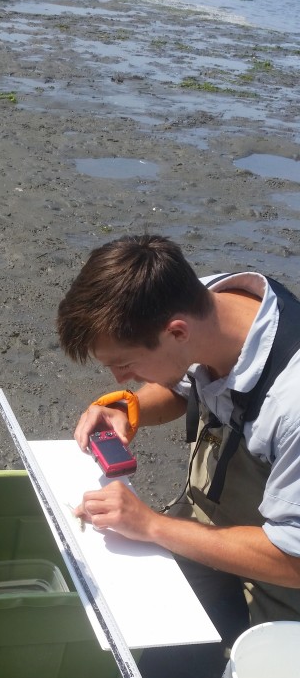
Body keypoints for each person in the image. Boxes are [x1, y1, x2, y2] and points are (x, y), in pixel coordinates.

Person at [57, 234, 300, 644]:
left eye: (125, 364)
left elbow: (292, 559)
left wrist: (151, 525)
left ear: (177, 332)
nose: (119, 380)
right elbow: (183, 384)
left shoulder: (292, 402)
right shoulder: (200, 300)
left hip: (282, 564)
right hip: (213, 517)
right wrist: (131, 408)